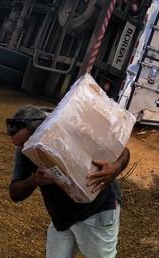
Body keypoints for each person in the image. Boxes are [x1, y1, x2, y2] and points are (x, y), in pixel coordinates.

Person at [7, 106, 130, 258]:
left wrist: (115, 168)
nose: (23, 148)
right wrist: (33, 181)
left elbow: (122, 150)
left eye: (25, 142)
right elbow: (14, 192)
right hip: (63, 218)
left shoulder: (71, 126)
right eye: (19, 145)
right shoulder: (25, 149)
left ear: (42, 131)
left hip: (97, 211)